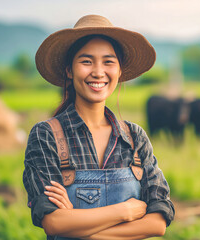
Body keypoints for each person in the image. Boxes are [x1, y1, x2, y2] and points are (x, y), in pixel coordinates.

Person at [23, 14, 175, 240]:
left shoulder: (134, 137)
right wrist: (125, 211)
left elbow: (158, 222)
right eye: (86, 61)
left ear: (120, 70)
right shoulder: (46, 135)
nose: (98, 72)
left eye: (108, 61)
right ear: (69, 70)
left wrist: (78, 225)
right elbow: (53, 222)